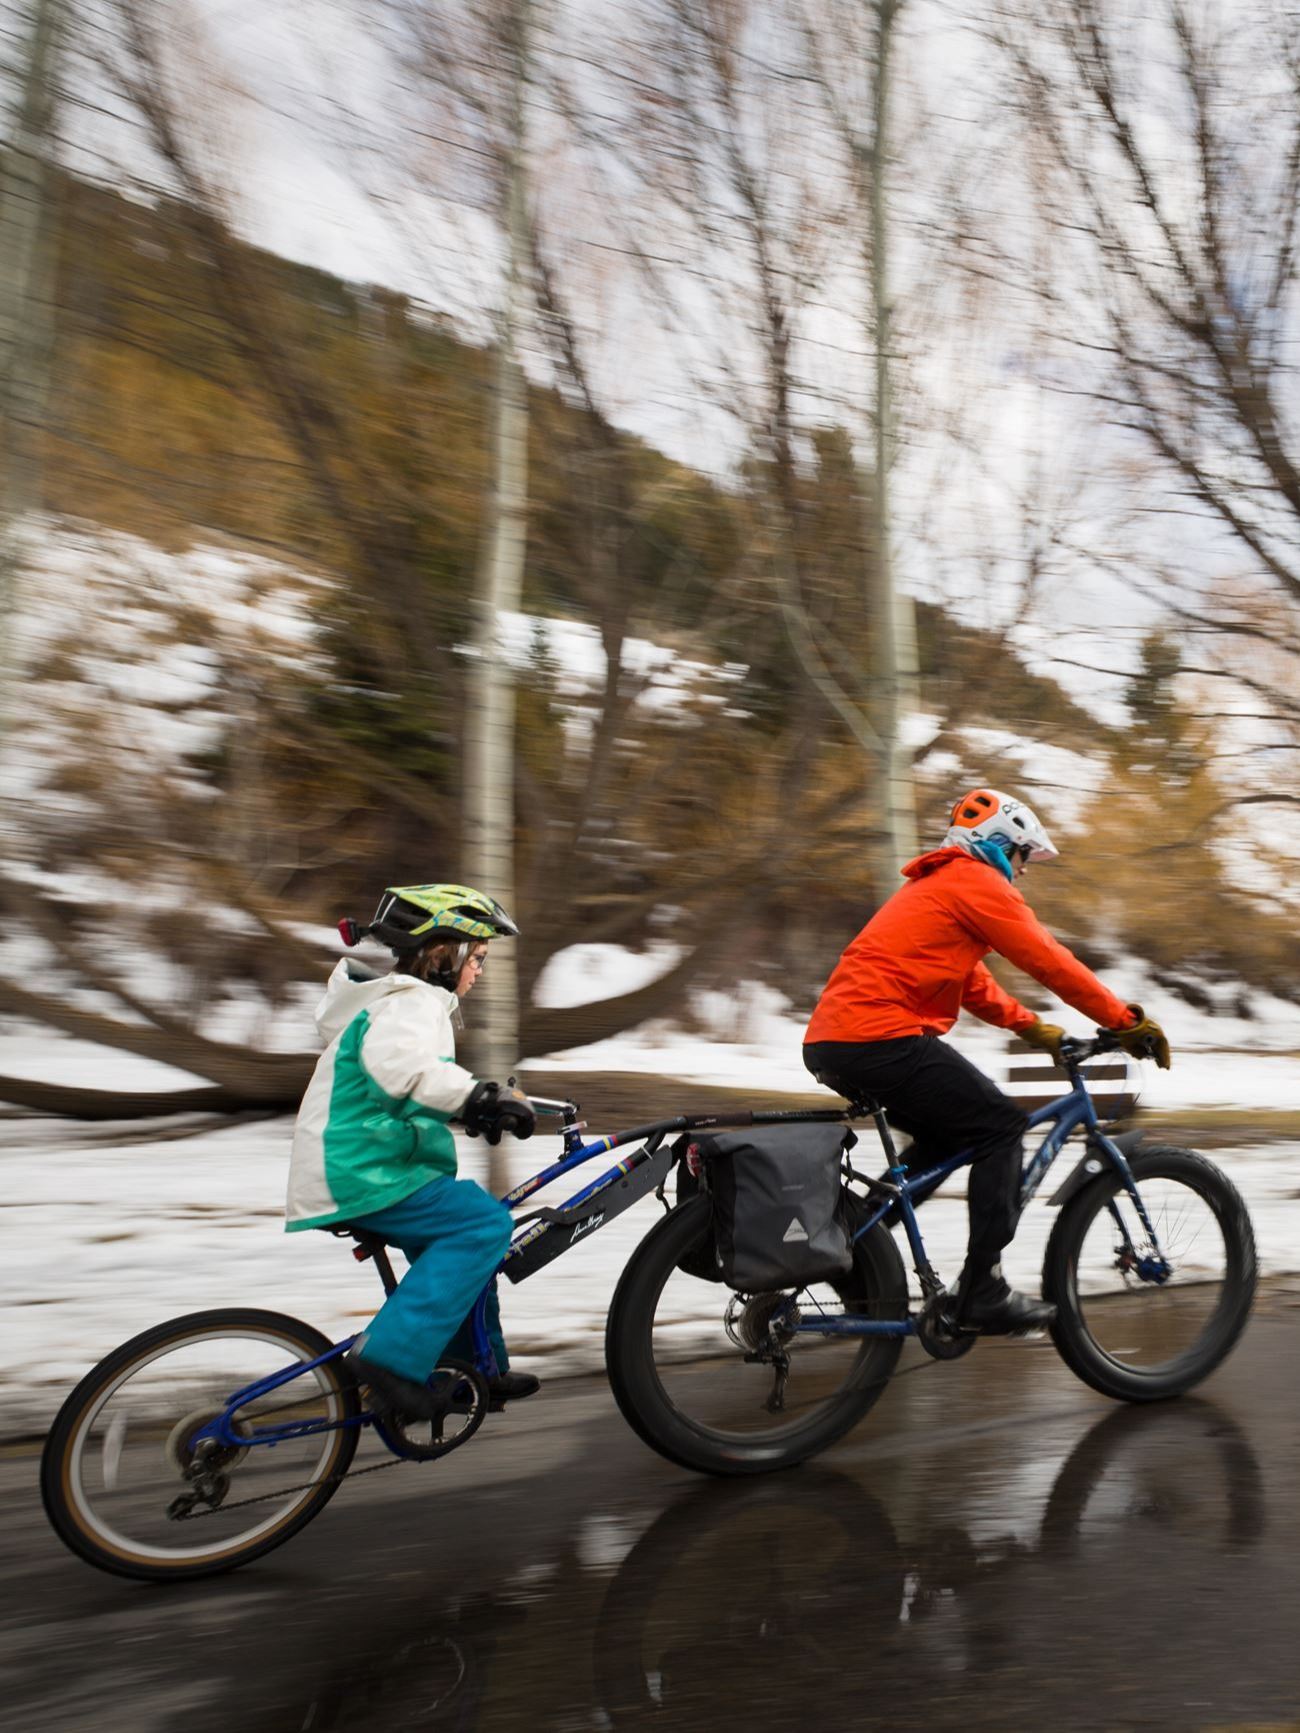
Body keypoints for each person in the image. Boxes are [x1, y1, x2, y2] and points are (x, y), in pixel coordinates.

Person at [803, 788, 1171, 1334]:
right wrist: (1123, 1020)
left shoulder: (938, 885)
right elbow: (1047, 959)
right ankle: (983, 1289)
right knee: (1003, 1127)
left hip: (836, 1042)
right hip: (881, 1036)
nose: (1022, 873)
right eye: (1023, 858)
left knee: (947, 1139)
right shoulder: (975, 881)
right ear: (1000, 845)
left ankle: (854, 1257)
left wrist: (1035, 1028)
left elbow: (970, 982)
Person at [286, 882, 539, 1421]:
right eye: (479, 958)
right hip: (362, 1170)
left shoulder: (404, 1004)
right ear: (444, 953)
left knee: (466, 1235)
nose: (479, 971)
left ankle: (474, 1369)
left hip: (376, 1165)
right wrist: (477, 1096)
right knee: (483, 1226)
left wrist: (475, 1108)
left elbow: (398, 1083)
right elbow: (406, 1072)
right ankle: (388, 1363)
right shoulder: (410, 1004)